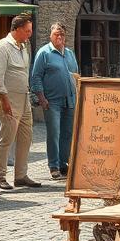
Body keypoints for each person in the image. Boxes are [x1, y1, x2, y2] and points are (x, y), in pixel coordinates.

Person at [0, 12, 39, 191]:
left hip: (24, 97)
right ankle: (0, 176)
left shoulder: (23, 46)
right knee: (6, 138)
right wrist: (4, 100)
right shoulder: (3, 47)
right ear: (17, 29)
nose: (29, 34)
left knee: (26, 138)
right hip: (9, 98)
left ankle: (21, 175)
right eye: (27, 30)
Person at [30, 22, 79, 180]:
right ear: (50, 36)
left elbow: (75, 75)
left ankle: (64, 164)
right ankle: (54, 166)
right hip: (52, 101)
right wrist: (42, 98)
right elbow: (36, 76)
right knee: (54, 133)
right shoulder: (44, 53)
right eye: (56, 34)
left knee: (68, 133)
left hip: (70, 100)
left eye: (62, 34)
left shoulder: (70, 54)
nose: (59, 37)